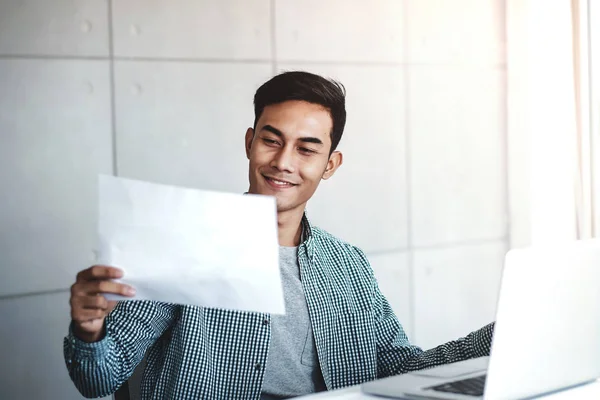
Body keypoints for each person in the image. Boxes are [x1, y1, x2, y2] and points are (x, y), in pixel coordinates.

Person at [65, 71, 494, 399]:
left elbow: (401, 370)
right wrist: (89, 329)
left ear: (330, 164)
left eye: (306, 149)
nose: (284, 162)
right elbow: (99, 377)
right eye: (272, 141)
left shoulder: (348, 263)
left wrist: (501, 337)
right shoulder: (186, 243)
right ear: (250, 143)